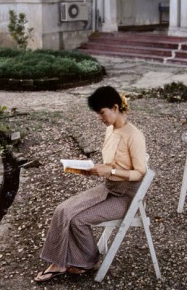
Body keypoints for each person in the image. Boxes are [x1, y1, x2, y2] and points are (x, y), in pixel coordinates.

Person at [34, 85, 147, 283]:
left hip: (126, 197)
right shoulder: (111, 130)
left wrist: (110, 171)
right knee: (63, 210)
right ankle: (61, 260)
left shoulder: (134, 136)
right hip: (109, 188)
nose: (99, 117)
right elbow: (113, 163)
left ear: (115, 108)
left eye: (101, 112)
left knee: (77, 219)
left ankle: (86, 260)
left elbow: (140, 172)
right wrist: (91, 169)